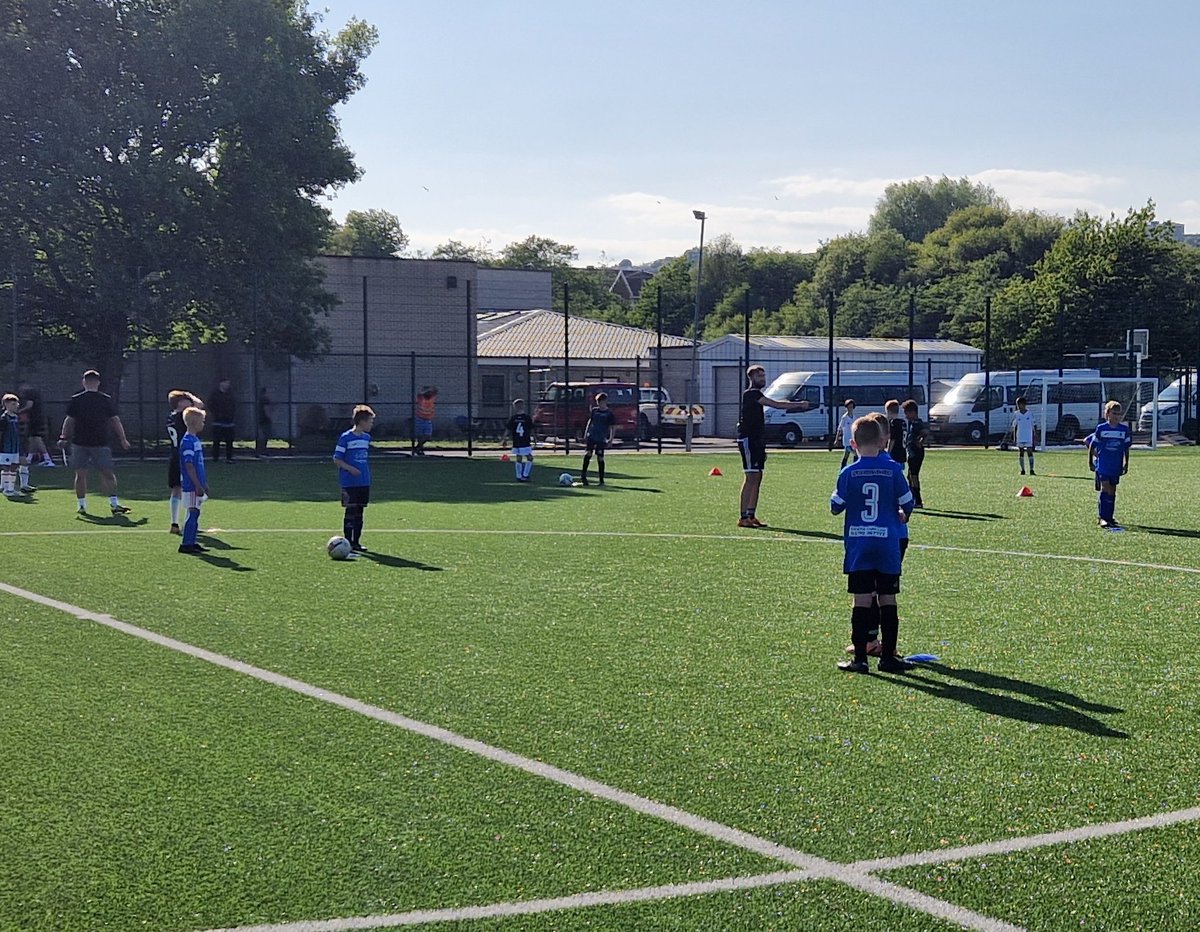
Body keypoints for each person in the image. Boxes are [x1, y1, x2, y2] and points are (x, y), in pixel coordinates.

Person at [831, 416, 915, 673]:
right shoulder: (892, 469)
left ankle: (860, 659)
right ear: (881, 442)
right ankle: (888, 657)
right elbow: (908, 501)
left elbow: (835, 507)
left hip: (859, 544)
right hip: (888, 543)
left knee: (861, 601)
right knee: (888, 598)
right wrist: (904, 514)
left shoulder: (848, 472)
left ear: (853, 443)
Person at [736, 365, 807, 527]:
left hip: (757, 441)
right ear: (751, 378)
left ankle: (751, 514)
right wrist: (798, 405)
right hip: (748, 440)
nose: (762, 378)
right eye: (759, 376)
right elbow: (776, 404)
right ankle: (742, 517)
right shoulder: (751, 394)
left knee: (758, 477)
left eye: (763, 375)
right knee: (751, 477)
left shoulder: (757, 394)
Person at [58, 369, 132, 516]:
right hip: (94, 442)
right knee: (106, 474)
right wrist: (122, 439)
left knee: (82, 474)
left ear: (84, 382)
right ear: (98, 383)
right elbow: (115, 420)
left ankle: (83, 505)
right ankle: (112, 504)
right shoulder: (101, 399)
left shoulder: (80, 399)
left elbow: (68, 421)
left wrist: (63, 437)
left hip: (86, 442)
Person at [333, 404, 375, 553]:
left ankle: (356, 542)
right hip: (349, 482)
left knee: (360, 512)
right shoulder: (346, 438)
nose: (371, 424)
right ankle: (347, 543)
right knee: (350, 512)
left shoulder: (366, 438)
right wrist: (351, 469)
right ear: (362, 421)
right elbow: (337, 459)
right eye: (370, 421)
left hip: (364, 481)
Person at [1087, 400, 1132, 529]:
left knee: (1112, 490)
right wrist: (1090, 462)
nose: (1117, 416)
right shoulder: (1101, 428)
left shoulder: (1124, 430)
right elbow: (1091, 445)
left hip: (1116, 465)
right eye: (1114, 413)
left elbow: (1126, 448)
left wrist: (1126, 464)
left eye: (1119, 414)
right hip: (1103, 465)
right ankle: (1102, 517)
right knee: (1105, 487)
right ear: (1107, 414)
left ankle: (1109, 517)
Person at [167, 389, 203, 535]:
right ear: (180, 403)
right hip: (185, 456)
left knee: (176, 489)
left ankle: (174, 523)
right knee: (191, 489)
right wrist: (189, 394)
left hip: (174, 455)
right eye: (186, 400)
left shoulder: (170, 417)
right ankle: (190, 521)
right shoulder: (183, 416)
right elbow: (200, 405)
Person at [177, 406, 210, 555]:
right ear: (194, 423)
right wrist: (197, 485)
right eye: (202, 421)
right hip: (191, 485)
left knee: (195, 512)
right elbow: (189, 465)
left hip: (196, 483)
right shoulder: (188, 441)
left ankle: (191, 541)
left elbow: (198, 465)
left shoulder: (194, 439)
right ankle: (186, 544)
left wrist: (203, 483)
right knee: (193, 512)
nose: (203, 424)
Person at [1, 393, 34, 497]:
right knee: (6, 467)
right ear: (6, 404)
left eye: (16, 404)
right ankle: (7, 489)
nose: (16, 406)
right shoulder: (3, 418)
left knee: (14, 467)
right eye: (13, 404)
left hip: (15, 448)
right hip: (6, 448)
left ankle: (11, 488)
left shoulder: (16, 417)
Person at [580, 391, 615, 486]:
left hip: (601, 438)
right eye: (597, 402)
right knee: (588, 454)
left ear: (604, 401)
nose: (599, 403)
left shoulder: (609, 414)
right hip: (592, 436)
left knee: (600, 457)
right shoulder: (595, 411)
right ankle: (583, 477)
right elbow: (590, 422)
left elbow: (612, 427)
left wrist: (611, 439)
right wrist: (586, 433)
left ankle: (601, 480)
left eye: (600, 401)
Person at [17, 380, 55, 467]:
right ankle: (29, 458)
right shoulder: (36, 393)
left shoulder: (30, 394)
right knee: (32, 439)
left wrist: (19, 411)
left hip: (35, 418)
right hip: (36, 418)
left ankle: (48, 459)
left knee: (36, 438)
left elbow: (29, 405)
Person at [902, 398, 928, 508]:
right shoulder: (913, 423)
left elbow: (925, 432)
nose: (906, 416)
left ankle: (918, 500)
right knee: (910, 476)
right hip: (911, 452)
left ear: (912, 412)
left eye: (907, 413)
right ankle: (912, 498)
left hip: (916, 453)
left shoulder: (917, 423)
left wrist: (920, 442)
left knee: (914, 476)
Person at [506, 398, 536, 482]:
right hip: (525, 440)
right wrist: (535, 439)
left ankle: (519, 476)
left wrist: (504, 439)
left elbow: (508, 429)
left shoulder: (513, 418)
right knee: (529, 458)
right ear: (522, 406)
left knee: (518, 458)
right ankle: (525, 475)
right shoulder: (526, 417)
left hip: (516, 440)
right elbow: (532, 429)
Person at [208, 378, 236, 463]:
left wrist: (231, 415)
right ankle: (215, 458)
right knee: (216, 440)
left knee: (229, 440)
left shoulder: (230, 395)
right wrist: (217, 414)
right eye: (226, 383)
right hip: (218, 421)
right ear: (221, 383)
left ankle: (229, 458)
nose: (227, 385)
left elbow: (233, 406)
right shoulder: (215, 394)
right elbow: (211, 405)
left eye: (228, 383)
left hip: (229, 421)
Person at [1008, 396, 1037, 475]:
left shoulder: (1030, 413)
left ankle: (1031, 470)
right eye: (1018, 405)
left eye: (1020, 404)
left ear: (1024, 404)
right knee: (1021, 452)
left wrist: (1035, 435)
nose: (1019, 406)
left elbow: (1034, 425)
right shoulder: (1016, 414)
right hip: (1020, 436)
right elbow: (1014, 426)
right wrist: (1014, 437)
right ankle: (1022, 470)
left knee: (1030, 452)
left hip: (1028, 436)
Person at [414, 386, 437, 456]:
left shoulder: (432, 398)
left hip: (428, 420)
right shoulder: (421, 398)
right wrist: (424, 391)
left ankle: (417, 448)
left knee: (428, 436)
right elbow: (419, 394)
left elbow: (435, 390)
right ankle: (419, 450)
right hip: (419, 418)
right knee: (420, 436)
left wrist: (429, 390)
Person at [835, 399, 858, 468]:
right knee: (856, 454)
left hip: (853, 440)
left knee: (847, 454)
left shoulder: (855, 417)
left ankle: (843, 467)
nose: (850, 409)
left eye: (851, 407)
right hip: (847, 440)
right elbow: (839, 429)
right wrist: (836, 439)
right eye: (848, 407)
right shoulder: (844, 418)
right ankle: (854, 467)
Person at [885, 399, 907, 467]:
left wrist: (888, 453)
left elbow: (892, 439)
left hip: (895, 454)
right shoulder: (903, 422)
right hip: (902, 452)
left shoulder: (893, 423)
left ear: (888, 411)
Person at [255, 385, 272, 457]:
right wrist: (269, 417)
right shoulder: (265, 399)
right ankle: (262, 451)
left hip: (261, 419)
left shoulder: (260, 399)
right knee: (265, 435)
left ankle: (260, 451)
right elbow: (266, 409)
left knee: (263, 435)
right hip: (265, 419)